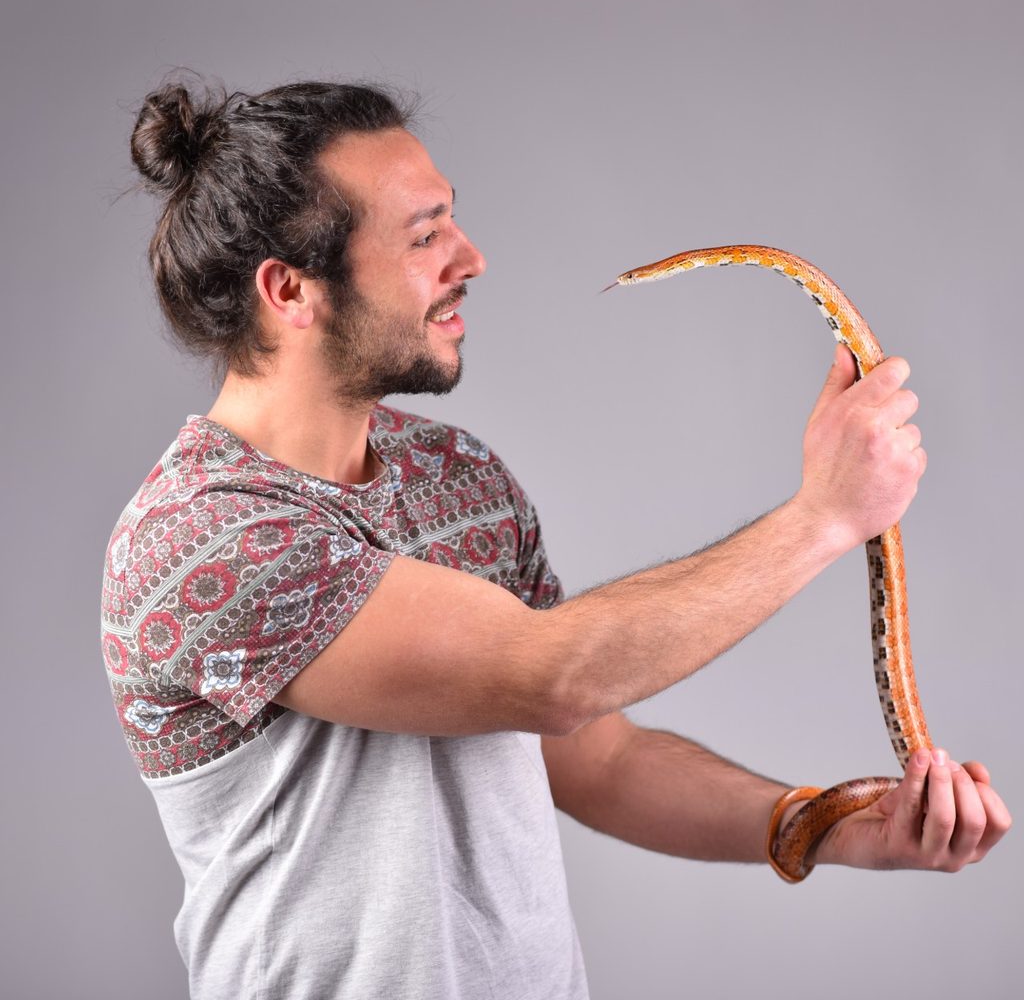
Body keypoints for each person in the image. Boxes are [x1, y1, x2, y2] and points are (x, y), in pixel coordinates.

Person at [101, 77, 1010, 1000]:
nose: (472, 257)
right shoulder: (203, 538)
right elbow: (553, 678)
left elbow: (597, 758)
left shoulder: (456, 474)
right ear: (290, 289)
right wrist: (825, 517)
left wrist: (818, 825)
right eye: (424, 237)